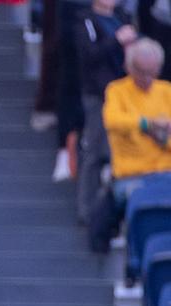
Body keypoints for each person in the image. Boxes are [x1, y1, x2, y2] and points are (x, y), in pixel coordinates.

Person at [93, 38, 171, 252]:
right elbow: (113, 121)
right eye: (141, 71)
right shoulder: (117, 91)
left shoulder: (166, 92)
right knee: (139, 200)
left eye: (151, 72)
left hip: (166, 172)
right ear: (128, 67)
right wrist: (148, 124)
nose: (146, 78)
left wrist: (161, 139)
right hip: (131, 175)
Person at [73, 0, 136, 224]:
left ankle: (118, 214)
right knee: (95, 154)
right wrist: (116, 41)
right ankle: (87, 210)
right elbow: (89, 55)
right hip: (98, 94)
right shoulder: (85, 20)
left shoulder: (123, 17)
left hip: (127, 94)